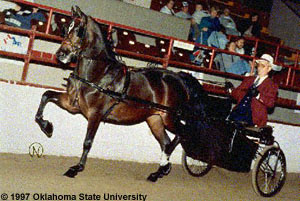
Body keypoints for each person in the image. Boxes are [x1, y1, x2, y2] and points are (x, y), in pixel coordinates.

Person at [227, 54, 280, 127]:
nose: (259, 68)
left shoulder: (271, 85)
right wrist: (231, 90)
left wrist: (258, 96)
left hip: (253, 117)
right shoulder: (249, 80)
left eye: (263, 66)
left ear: (269, 69)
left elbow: (271, 103)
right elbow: (236, 95)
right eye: (259, 65)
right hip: (237, 112)